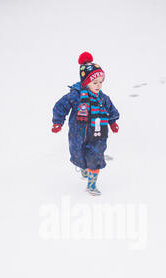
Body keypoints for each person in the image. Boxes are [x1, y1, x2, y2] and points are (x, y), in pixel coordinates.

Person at [51, 51, 120, 196]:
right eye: (95, 82)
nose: (99, 85)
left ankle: (91, 185)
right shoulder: (76, 95)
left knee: (96, 157)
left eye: (101, 82)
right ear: (86, 82)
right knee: (79, 154)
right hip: (78, 134)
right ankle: (83, 166)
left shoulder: (102, 98)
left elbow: (111, 109)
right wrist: (58, 122)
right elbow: (61, 105)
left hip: (98, 133)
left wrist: (113, 122)